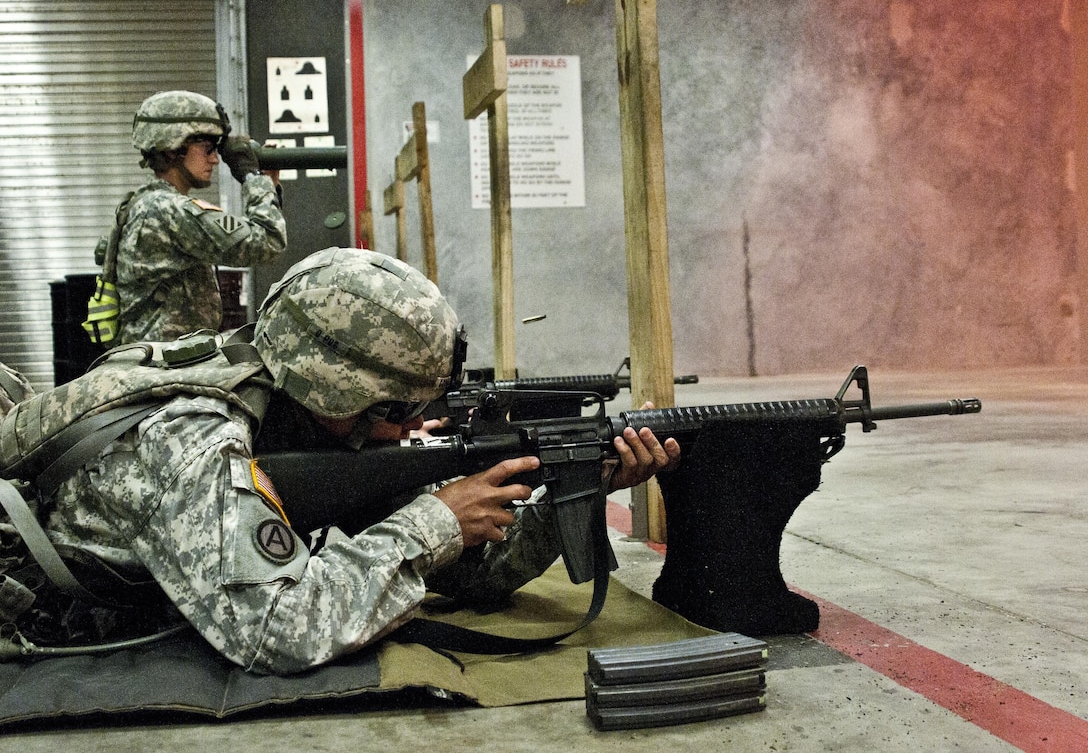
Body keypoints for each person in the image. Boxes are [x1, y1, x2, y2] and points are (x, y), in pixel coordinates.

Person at [6, 248, 679, 674]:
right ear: (333, 386)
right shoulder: (195, 437)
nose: (410, 428)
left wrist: (578, 486)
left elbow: (475, 577)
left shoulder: (295, 405)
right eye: (392, 410)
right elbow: (278, 632)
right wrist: (432, 523)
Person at [115, 90, 287, 345]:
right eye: (207, 149)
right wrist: (252, 178)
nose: (215, 160)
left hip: (161, 359)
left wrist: (266, 185)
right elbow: (267, 242)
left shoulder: (146, 203)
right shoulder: (171, 210)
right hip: (167, 368)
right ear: (173, 148)